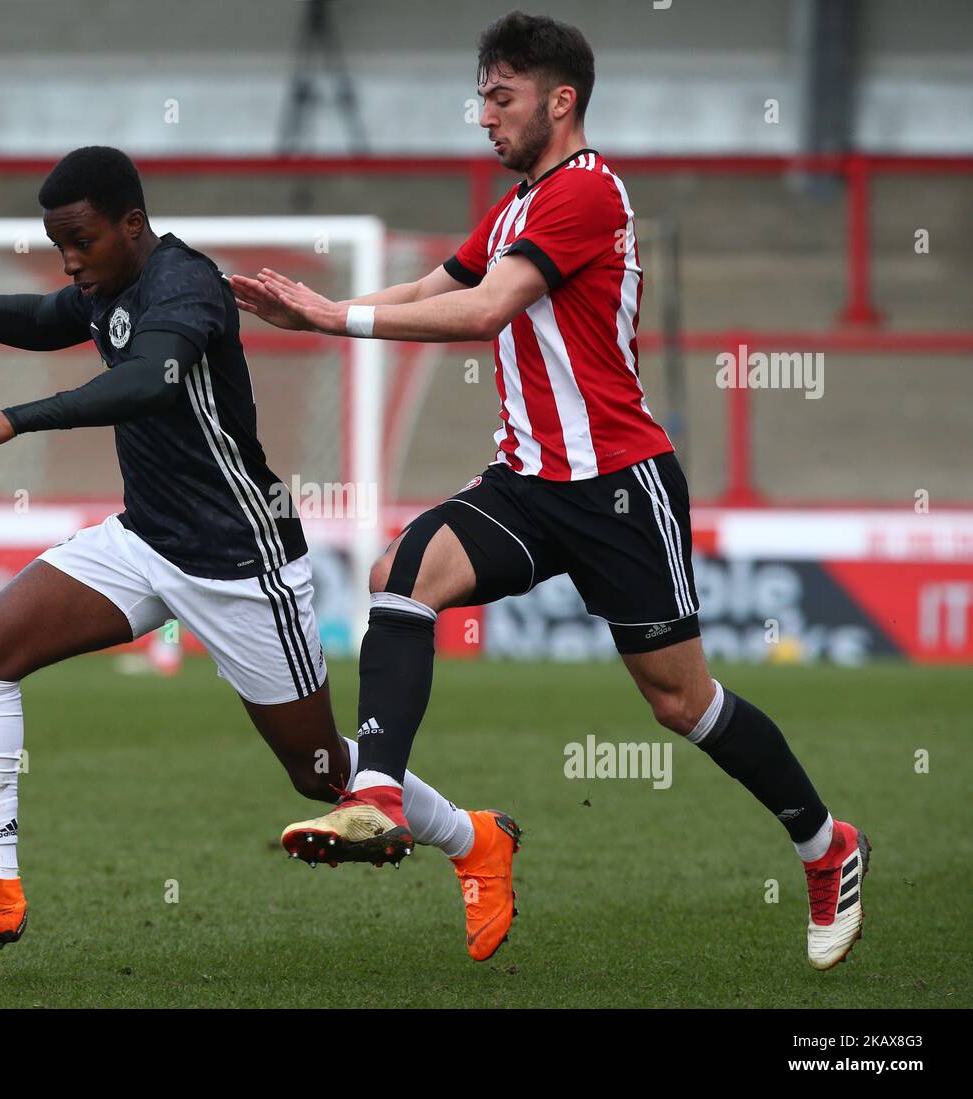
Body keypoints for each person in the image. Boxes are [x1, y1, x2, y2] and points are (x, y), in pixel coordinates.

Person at [232, 13, 868, 972]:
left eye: (501, 98)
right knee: (400, 573)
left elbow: (486, 306)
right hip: (528, 483)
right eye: (481, 97)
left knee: (680, 702)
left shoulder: (586, 195)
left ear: (559, 101)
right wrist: (322, 317)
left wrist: (336, 317)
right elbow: (438, 282)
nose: (483, 117)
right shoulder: (517, 206)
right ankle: (379, 792)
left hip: (619, 485)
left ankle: (827, 847)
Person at [0, 145, 520, 960]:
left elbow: (151, 377)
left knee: (321, 770)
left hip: (240, 563)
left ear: (133, 223)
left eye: (82, 241)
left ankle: (473, 838)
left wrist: (14, 418)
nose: (71, 261)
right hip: (145, 539)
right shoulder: (102, 287)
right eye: (59, 246)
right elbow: (35, 320)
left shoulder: (186, 285)